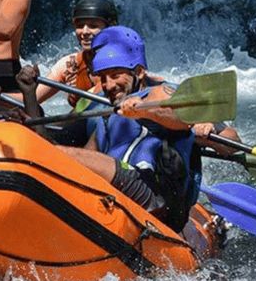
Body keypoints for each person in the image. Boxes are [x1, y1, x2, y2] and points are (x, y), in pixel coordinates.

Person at [57, 26, 241, 232]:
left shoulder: (158, 94)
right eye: (103, 77)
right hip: (120, 192)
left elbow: (230, 143)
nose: (109, 85)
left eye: (116, 75)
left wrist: (146, 112)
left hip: (157, 198)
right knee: (63, 160)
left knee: (58, 155)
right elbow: (87, 159)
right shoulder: (105, 111)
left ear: (139, 72)